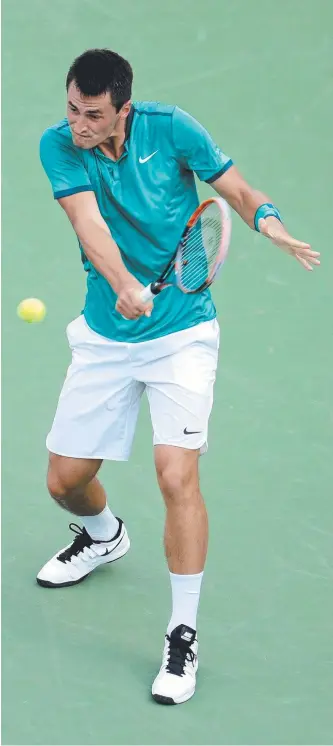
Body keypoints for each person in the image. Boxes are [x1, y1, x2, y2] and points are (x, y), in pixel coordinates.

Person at [37, 48, 320, 706]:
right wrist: (123, 283)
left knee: (175, 473)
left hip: (182, 335)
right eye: (72, 108)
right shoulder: (60, 146)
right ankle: (104, 537)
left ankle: (182, 634)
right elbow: (88, 224)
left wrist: (268, 223)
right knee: (65, 481)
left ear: (123, 111)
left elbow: (238, 192)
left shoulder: (172, 129)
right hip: (108, 335)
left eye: (94, 114)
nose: (78, 123)